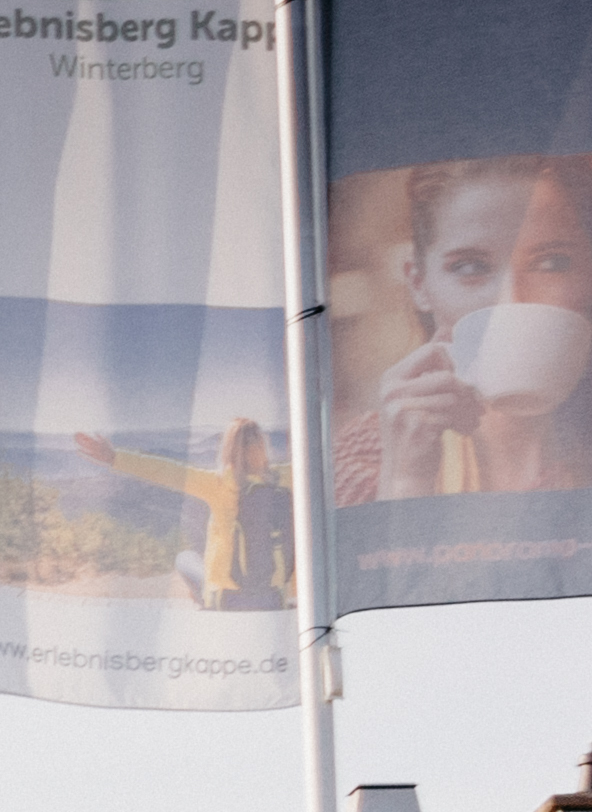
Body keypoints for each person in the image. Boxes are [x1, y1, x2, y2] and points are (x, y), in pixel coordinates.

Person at [342, 155, 592, 501]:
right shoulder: (365, 456)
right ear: (419, 284)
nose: (510, 302)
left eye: (551, 263)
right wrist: (405, 481)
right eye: (470, 266)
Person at [65, 414, 291, 609]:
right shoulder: (283, 479)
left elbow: (166, 471)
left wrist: (114, 457)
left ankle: (201, 597)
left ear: (228, 448)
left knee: (186, 558)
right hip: (272, 598)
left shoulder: (217, 483)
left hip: (225, 601)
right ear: (262, 446)